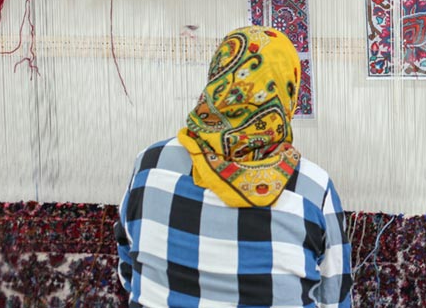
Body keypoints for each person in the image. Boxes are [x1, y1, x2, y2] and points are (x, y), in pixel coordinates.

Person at [115, 26, 353, 308]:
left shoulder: (150, 165)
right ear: (288, 92)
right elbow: (334, 297)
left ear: (218, 75)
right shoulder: (312, 189)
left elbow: (130, 270)